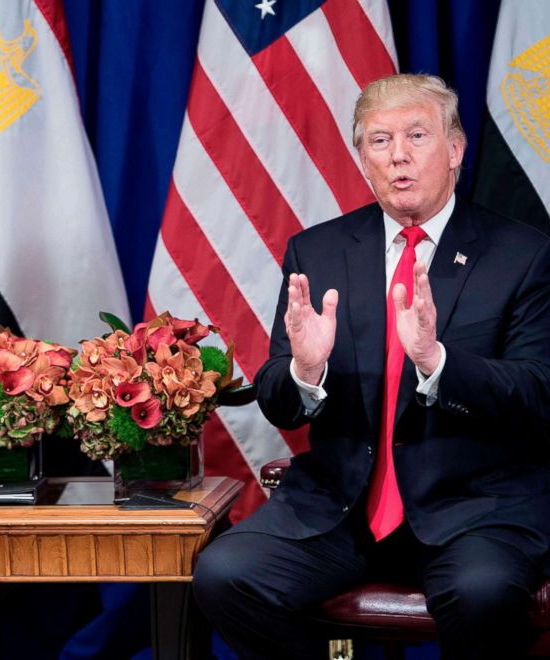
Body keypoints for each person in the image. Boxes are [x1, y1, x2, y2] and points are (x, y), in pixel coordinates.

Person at [192, 73, 550, 659]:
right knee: (226, 573)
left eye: (417, 135)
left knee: (483, 592)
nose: (399, 156)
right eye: (379, 141)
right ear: (362, 158)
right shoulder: (319, 250)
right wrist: (305, 371)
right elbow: (280, 397)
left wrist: (438, 362)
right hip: (342, 509)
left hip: (475, 510)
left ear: (455, 149)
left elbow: (539, 394)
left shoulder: (524, 254)